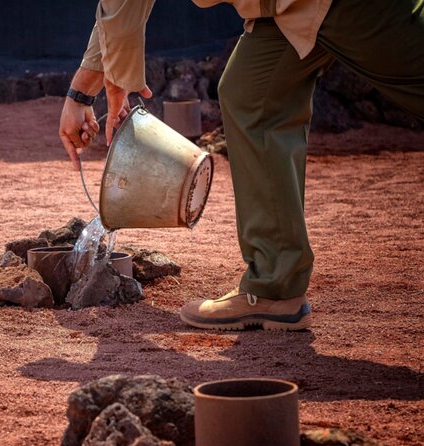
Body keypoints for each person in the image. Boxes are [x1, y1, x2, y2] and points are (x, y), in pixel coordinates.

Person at [59, 0, 424, 331]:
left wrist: (94, 87)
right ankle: (274, 287)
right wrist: (86, 89)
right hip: (280, 10)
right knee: (250, 92)